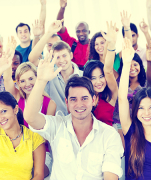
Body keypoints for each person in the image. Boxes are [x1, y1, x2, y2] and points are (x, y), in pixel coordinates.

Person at [23, 50, 124, 180]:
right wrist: (41, 80)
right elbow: (30, 117)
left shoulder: (109, 135)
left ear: (94, 100)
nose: (79, 104)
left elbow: (111, 176)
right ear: (66, 102)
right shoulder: (57, 125)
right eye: (73, 99)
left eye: (84, 98)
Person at [118, 37, 151, 180]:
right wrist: (127, 63)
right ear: (135, 111)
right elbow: (122, 98)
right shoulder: (131, 131)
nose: (146, 113)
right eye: (141, 108)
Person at [0, 47, 45, 180]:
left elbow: (38, 175)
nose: (0, 118)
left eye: (3, 111)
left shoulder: (34, 138)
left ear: (15, 109)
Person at [29, 20, 83, 115]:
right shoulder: (49, 73)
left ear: (71, 55)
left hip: (79, 121)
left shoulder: (83, 76)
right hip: (57, 123)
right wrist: (48, 32)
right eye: (57, 57)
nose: (61, 60)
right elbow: (32, 59)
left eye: (64, 56)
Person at [83, 21, 118, 126]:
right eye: (93, 78)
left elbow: (107, 70)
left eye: (101, 77)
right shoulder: (84, 97)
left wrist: (111, 44)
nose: (98, 81)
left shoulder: (110, 95)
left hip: (108, 140)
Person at [57, 0, 90, 69]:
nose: (81, 33)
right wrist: (62, 8)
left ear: (89, 32)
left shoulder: (94, 45)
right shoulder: (72, 43)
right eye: (78, 31)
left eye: (84, 31)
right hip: (74, 76)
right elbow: (59, 25)